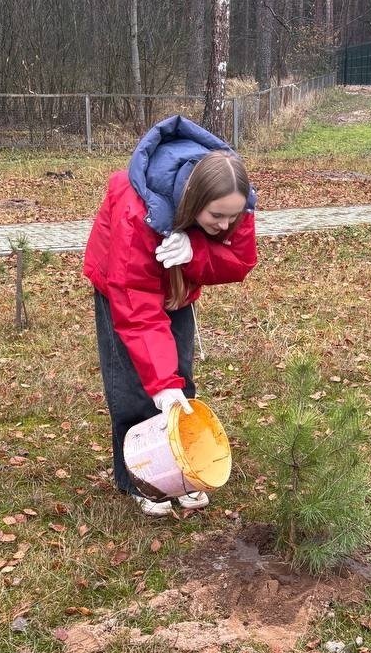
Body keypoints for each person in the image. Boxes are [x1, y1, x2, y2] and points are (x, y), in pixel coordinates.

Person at [83, 115, 258, 517]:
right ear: (194, 202)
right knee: (132, 386)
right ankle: (139, 477)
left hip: (176, 285)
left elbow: (241, 261)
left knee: (180, 376)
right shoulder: (135, 209)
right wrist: (159, 385)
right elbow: (138, 307)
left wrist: (198, 252)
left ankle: (180, 467)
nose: (226, 224)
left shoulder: (235, 198)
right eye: (217, 217)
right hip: (122, 286)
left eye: (232, 216)